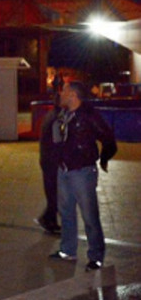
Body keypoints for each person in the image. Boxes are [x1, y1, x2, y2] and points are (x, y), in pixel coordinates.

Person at [49, 81, 117, 271]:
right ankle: (67, 250)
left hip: (82, 171)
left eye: (64, 91)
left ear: (73, 95)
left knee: (89, 215)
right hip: (64, 170)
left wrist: (103, 159)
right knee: (66, 212)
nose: (61, 94)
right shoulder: (64, 115)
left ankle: (96, 256)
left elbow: (108, 138)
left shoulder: (88, 116)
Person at [34, 78, 63, 234]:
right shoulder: (57, 119)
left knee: (52, 192)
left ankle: (49, 220)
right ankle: (47, 219)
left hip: (46, 159)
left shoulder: (50, 115)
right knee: (54, 193)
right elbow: (58, 142)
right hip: (51, 161)